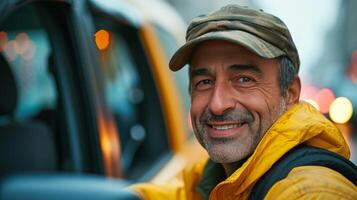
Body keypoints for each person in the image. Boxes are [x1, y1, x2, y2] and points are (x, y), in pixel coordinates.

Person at [131, 4, 357, 200]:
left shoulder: (309, 192)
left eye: (244, 80)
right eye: (205, 81)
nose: (217, 104)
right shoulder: (219, 178)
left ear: (289, 93)